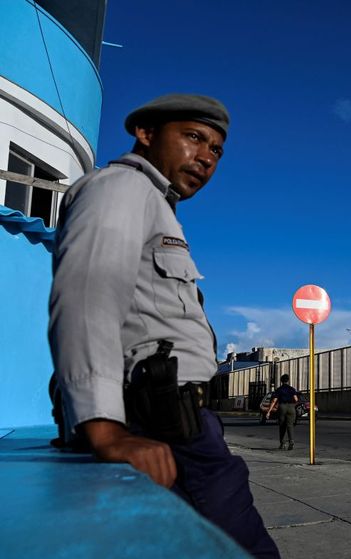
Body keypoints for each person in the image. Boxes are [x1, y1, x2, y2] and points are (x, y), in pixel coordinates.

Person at [48, 94, 280, 559]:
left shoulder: (157, 207)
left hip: (178, 423)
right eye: (194, 137)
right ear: (146, 134)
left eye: (216, 150)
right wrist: (105, 428)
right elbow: (87, 293)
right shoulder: (122, 188)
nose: (206, 158)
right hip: (163, 428)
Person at [265, 374, 299, 450]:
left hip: (282, 407)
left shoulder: (279, 389)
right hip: (291, 407)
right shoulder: (292, 389)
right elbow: (296, 399)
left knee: (282, 425)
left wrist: (269, 411)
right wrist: (292, 406)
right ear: (288, 380)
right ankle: (291, 441)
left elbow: (274, 401)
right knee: (290, 425)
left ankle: (282, 443)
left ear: (281, 381)